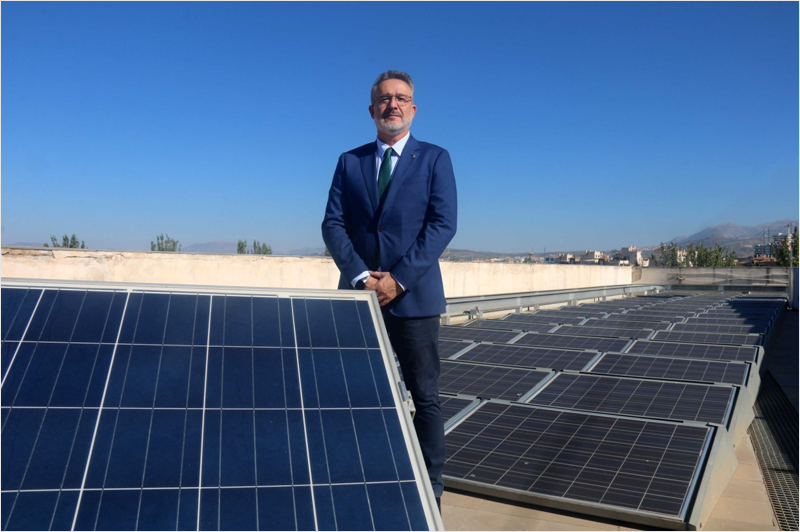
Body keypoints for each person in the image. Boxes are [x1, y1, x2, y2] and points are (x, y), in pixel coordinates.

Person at [322, 70, 457, 510]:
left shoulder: (435, 159)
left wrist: (397, 280)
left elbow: (441, 226)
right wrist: (363, 277)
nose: (392, 105)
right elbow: (333, 224)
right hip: (359, 301)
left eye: (401, 98)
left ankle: (429, 491)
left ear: (413, 107)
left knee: (426, 397)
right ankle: (365, 480)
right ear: (371, 109)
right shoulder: (349, 161)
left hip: (414, 300)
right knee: (357, 395)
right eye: (384, 99)